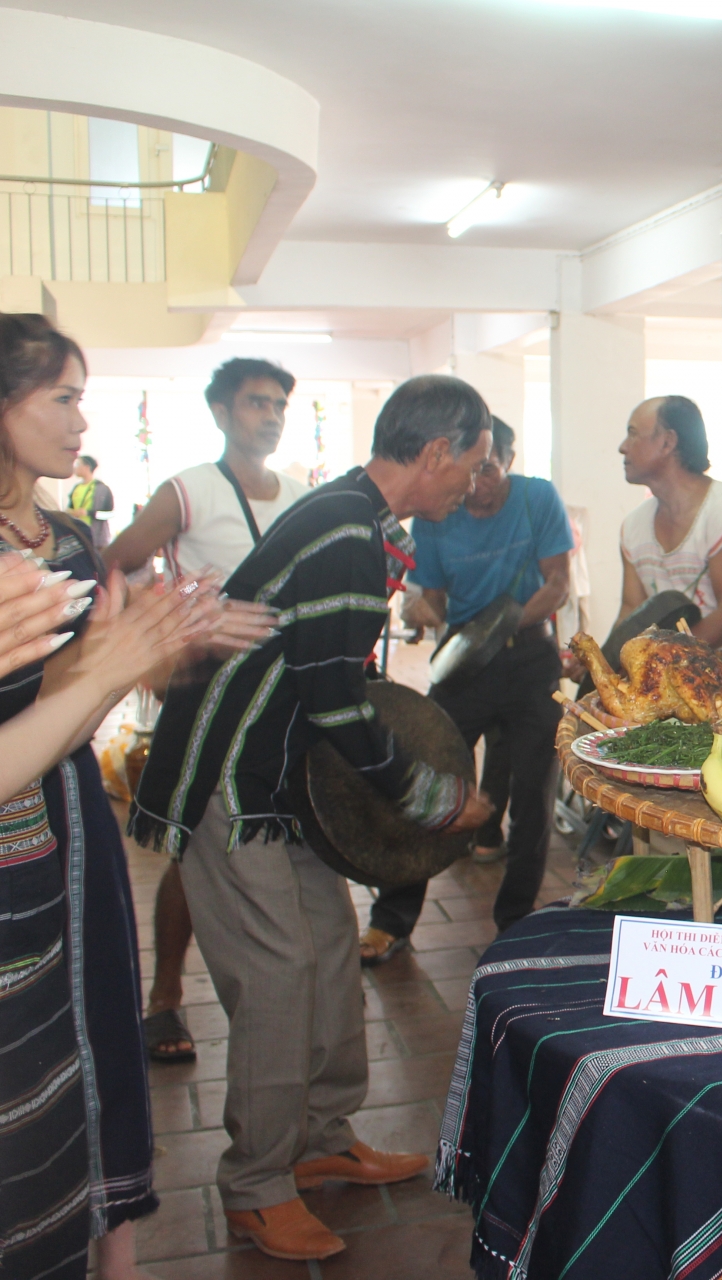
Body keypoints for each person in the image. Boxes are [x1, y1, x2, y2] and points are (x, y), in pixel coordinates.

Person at [131, 374, 497, 1263]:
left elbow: (325, 685)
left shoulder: (349, 516)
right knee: (279, 973)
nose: (477, 483)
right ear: (437, 450)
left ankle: (323, 1138)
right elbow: (338, 702)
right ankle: (257, 1183)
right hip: (232, 777)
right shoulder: (344, 534)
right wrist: (437, 800)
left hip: (278, 778)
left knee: (329, 945)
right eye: (475, 463)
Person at [0, 313, 237, 1280]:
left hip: (66, 815)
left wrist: (164, 650)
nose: (79, 418)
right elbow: (68, 689)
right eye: (61, 396)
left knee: (97, 1014)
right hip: (16, 829)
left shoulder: (61, 535)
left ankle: (117, 1250)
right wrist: (110, 667)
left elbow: (83, 683)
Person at [105, 355, 312, 1064]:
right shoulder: (187, 490)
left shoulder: (300, 492)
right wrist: (171, 631)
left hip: (280, 702)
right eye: (256, 403)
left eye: (279, 405)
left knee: (262, 844)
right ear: (222, 413)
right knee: (193, 847)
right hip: (207, 700)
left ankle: (275, 995)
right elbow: (115, 564)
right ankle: (165, 996)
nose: (271, 416)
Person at [359, 417, 573, 966]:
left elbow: (557, 584)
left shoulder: (536, 499)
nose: (478, 484)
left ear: (509, 458)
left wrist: (501, 627)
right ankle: (391, 921)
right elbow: (429, 595)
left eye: (490, 469)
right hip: (462, 660)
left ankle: (515, 922)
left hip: (529, 655)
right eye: (470, 471)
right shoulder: (438, 514)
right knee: (432, 776)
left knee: (532, 795)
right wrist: (424, 608)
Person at [618, 395, 722, 647]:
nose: (623, 446)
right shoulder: (634, 526)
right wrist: (607, 658)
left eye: (632, 433)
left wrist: (661, 662)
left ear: (668, 442)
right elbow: (632, 609)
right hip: (681, 676)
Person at [66, 452, 113, 544]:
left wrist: (89, 513)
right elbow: (69, 508)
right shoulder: (76, 488)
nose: (75, 468)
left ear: (87, 467)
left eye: (78, 464)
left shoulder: (102, 489)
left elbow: (110, 514)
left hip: (97, 538)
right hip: (78, 536)